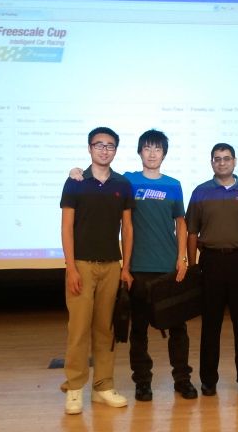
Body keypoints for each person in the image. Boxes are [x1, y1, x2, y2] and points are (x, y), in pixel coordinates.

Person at [69, 129, 198, 402]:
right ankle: (142, 382)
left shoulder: (174, 185)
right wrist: (76, 171)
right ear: (140, 152)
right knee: (138, 330)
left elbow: (181, 224)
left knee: (178, 329)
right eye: (147, 148)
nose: (152, 154)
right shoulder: (128, 181)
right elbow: (102, 176)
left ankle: (182, 380)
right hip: (137, 268)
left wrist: (182, 258)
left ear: (164, 154)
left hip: (168, 268)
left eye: (157, 149)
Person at [60, 126, 134, 415]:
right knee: (78, 330)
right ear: (89, 148)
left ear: (115, 150)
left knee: (106, 330)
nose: (104, 149)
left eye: (110, 145)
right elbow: (67, 227)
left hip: (112, 266)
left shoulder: (122, 184)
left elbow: (127, 228)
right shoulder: (75, 182)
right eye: (99, 144)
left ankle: (103, 387)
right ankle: (75, 388)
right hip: (81, 265)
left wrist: (126, 267)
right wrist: (70, 268)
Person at [185, 143, 238, 397]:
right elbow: (192, 232)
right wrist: (193, 266)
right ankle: (208, 381)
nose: (222, 162)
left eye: (226, 158)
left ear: (234, 161)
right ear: (211, 162)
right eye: (217, 159)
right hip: (211, 262)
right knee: (210, 325)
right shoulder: (200, 192)